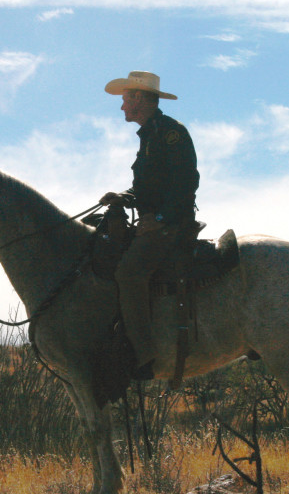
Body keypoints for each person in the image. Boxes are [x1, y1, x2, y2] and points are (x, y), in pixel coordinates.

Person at [100, 71, 199, 380]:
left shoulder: (171, 133)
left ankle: (143, 355)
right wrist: (124, 197)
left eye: (125, 100)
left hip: (172, 224)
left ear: (139, 98)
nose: (122, 107)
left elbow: (185, 185)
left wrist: (158, 220)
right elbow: (147, 188)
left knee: (128, 273)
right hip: (154, 221)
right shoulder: (149, 136)